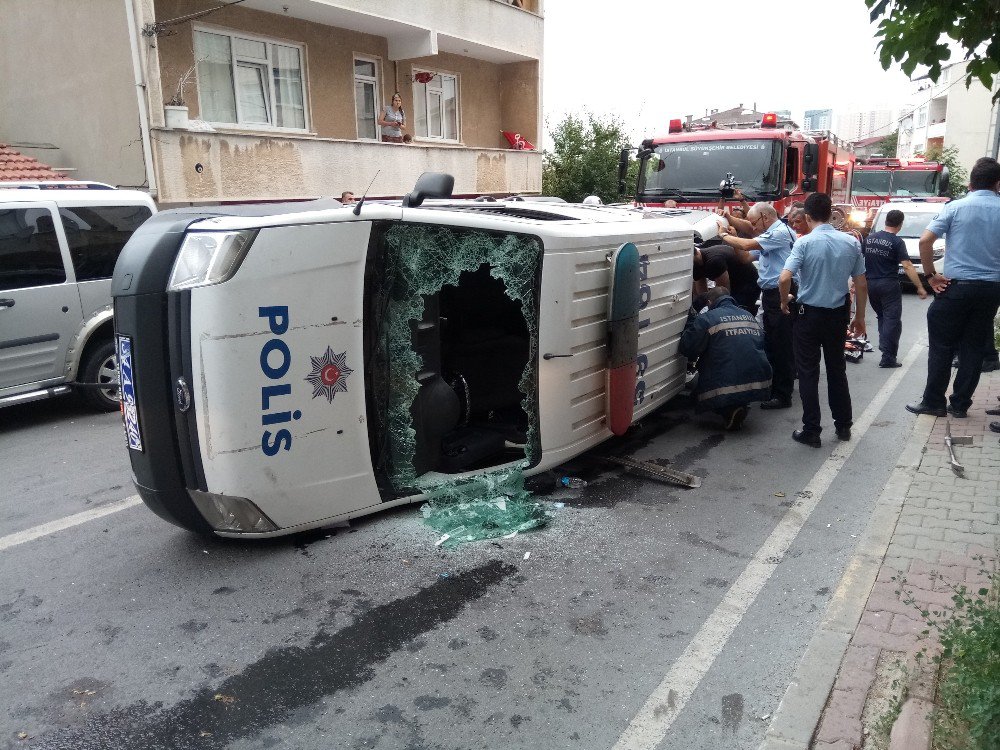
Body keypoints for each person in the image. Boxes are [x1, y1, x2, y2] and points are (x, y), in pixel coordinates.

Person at [906, 157, 1000, 419]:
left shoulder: (955, 208)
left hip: (957, 288)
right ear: (997, 184)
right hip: (991, 289)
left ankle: (934, 401)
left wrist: (931, 276)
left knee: (942, 345)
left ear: (971, 182)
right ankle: (959, 405)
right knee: (973, 347)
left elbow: (925, 241)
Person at [779, 192, 867, 447]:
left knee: (808, 373)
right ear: (831, 215)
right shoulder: (850, 242)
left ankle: (812, 430)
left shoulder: (804, 243)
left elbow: (784, 278)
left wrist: (784, 301)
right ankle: (843, 426)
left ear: (807, 216)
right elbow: (860, 283)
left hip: (808, 316)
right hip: (837, 315)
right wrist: (860, 316)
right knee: (837, 369)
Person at [718, 201, 797, 409]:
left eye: (755, 223)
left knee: (781, 344)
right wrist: (732, 233)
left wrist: (725, 235)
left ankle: (783, 394)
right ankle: (775, 388)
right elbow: (744, 257)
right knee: (771, 342)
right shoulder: (771, 236)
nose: (753, 228)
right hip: (771, 293)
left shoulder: (779, 233)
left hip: (781, 292)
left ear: (766, 217)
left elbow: (745, 244)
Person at [679, 286, 773, 431]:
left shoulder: (707, 319)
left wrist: (691, 319)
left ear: (710, 302)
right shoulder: (748, 315)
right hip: (760, 381)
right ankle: (740, 402)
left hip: (727, 381)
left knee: (703, 388)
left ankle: (728, 410)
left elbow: (687, 347)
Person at [863, 208, 928, 367]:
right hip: (889, 285)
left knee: (882, 317)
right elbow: (906, 265)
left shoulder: (870, 239)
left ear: (886, 222)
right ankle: (888, 357)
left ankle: (885, 346)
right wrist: (919, 286)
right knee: (892, 320)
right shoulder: (897, 242)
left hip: (871, 284)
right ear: (900, 224)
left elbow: (861, 260)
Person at [693, 243, 760, 313]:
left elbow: (723, 291)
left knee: (734, 311)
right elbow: (702, 292)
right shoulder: (694, 263)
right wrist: (705, 306)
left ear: (696, 253)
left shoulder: (713, 261)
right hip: (734, 282)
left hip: (748, 283)